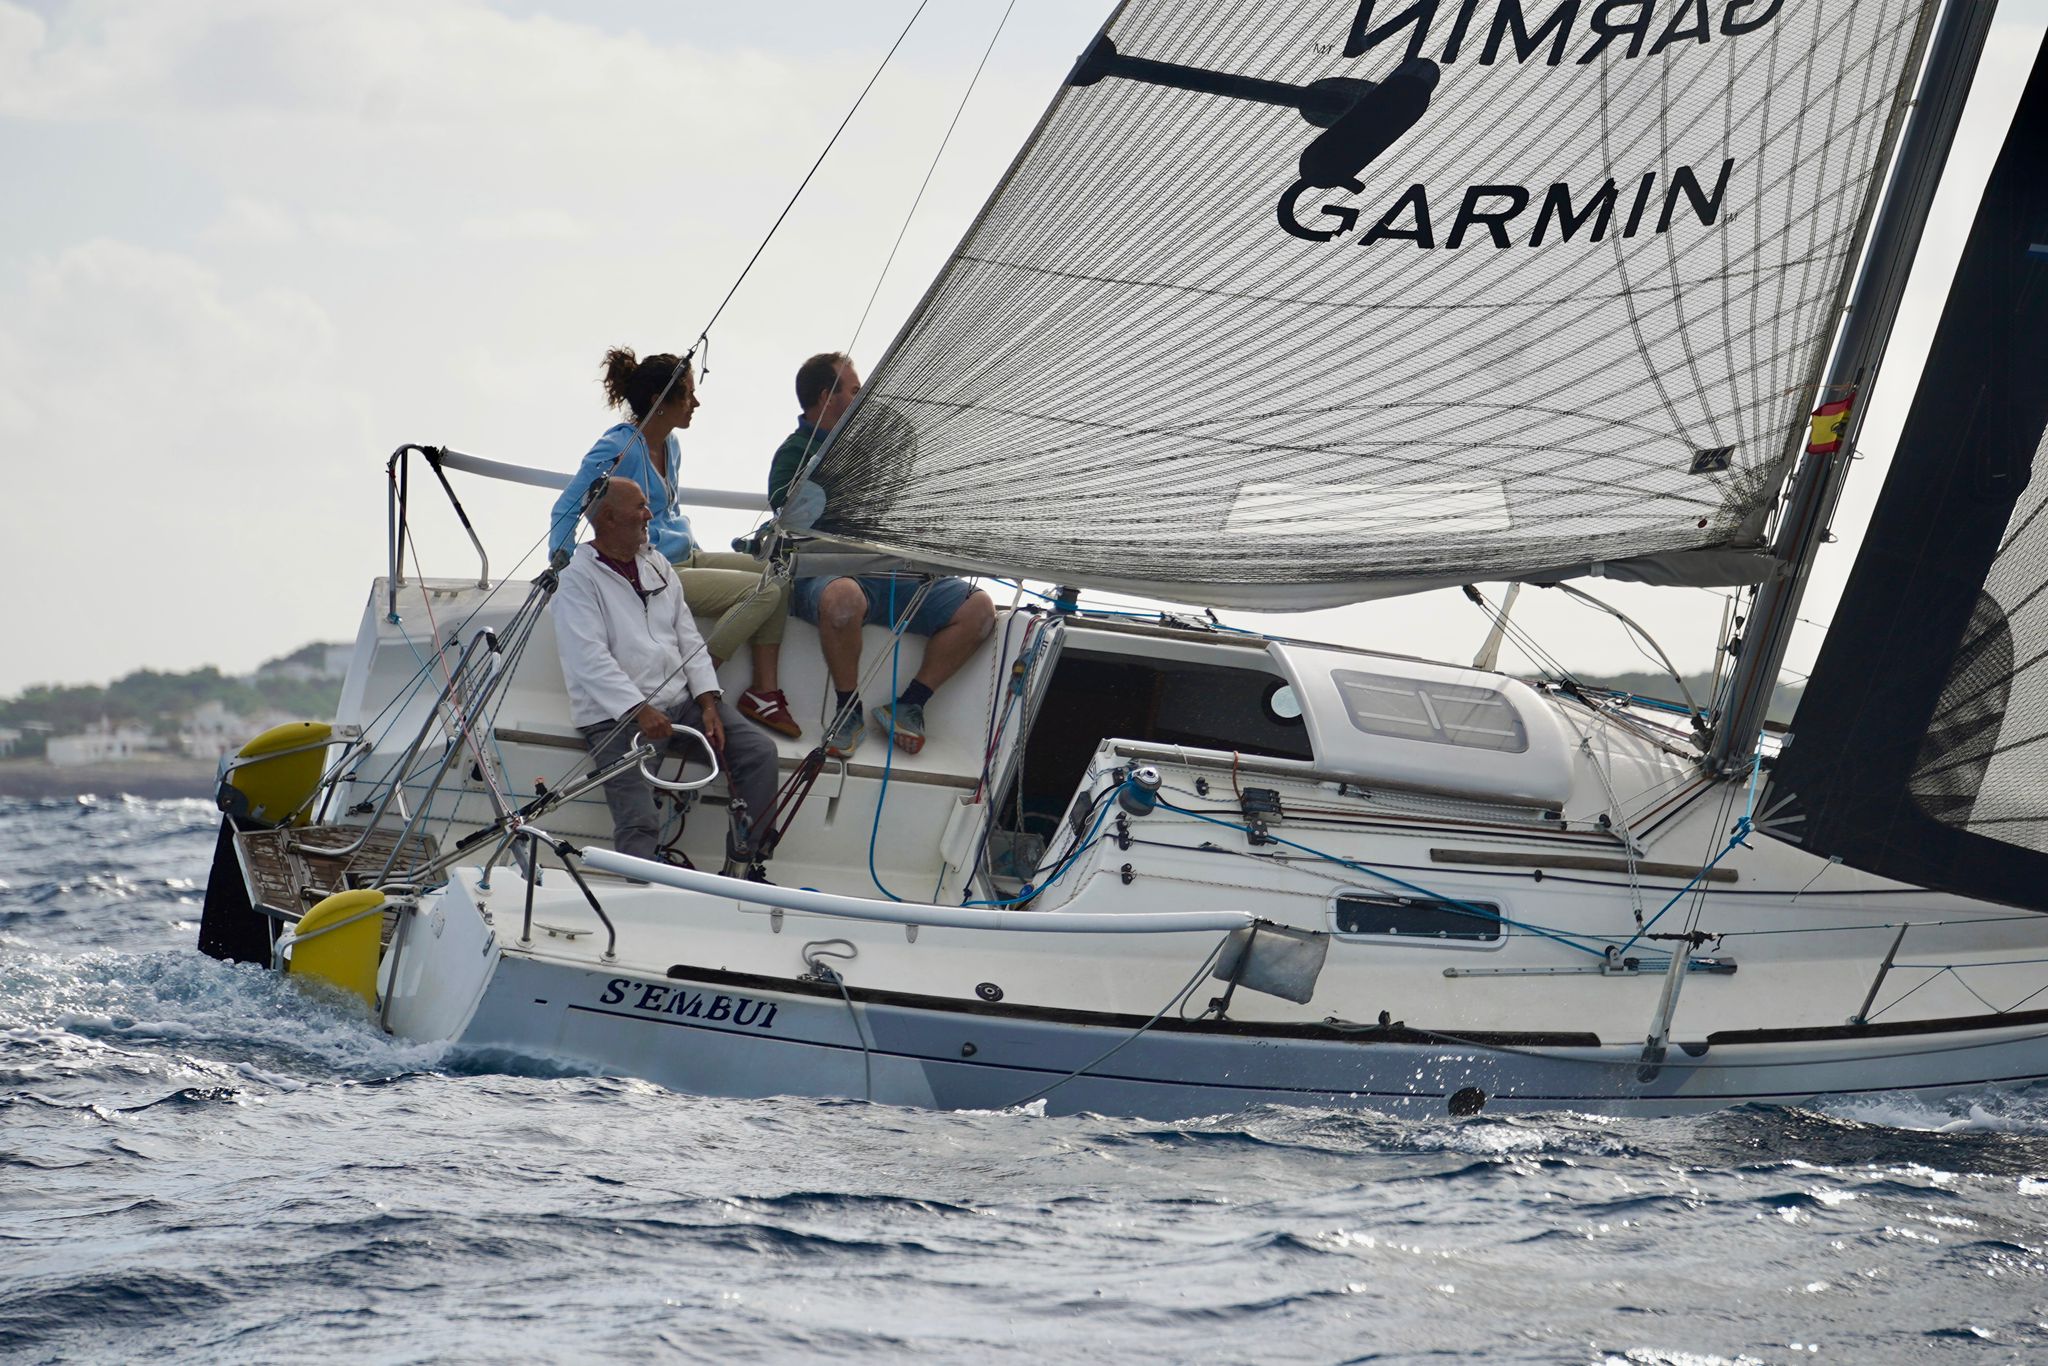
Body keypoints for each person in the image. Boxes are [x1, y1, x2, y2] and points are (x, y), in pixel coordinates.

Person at [552, 347, 801, 739]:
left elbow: (670, 510)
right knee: (765, 590)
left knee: (781, 572)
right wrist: (563, 566)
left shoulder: (671, 444)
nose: (695, 403)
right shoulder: (618, 448)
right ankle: (699, 680)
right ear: (659, 401)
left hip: (688, 554)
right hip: (657, 568)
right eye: (688, 394)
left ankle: (763, 693)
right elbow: (568, 507)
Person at [768, 352, 995, 759]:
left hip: (882, 569)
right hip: (823, 571)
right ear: (827, 397)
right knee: (843, 600)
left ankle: (910, 704)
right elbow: (793, 517)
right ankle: (847, 710)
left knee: (978, 610)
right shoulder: (793, 453)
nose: (863, 398)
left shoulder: (872, 447)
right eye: (855, 390)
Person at [552, 477, 780, 879]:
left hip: (683, 704)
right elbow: (589, 660)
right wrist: (640, 711)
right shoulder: (575, 578)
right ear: (608, 517)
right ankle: (637, 891)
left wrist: (708, 702)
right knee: (639, 818)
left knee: (759, 753)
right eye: (640, 506)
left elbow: (688, 637)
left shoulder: (657, 564)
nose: (649, 514)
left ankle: (746, 866)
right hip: (615, 718)